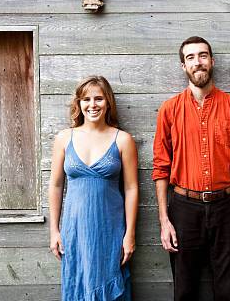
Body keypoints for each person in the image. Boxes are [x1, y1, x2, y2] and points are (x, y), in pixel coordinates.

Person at [152, 36, 230, 301]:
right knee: (184, 291)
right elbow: (161, 168)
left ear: (212, 61)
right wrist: (164, 221)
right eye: (190, 57)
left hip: (227, 207)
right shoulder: (169, 110)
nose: (198, 62)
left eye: (203, 56)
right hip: (184, 209)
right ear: (183, 66)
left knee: (227, 290)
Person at [49, 75, 138, 301]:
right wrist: (54, 231)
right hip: (74, 230)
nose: (92, 105)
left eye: (99, 98)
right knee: (78, 283)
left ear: (108, 102)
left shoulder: (123, 140)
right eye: (86, 99)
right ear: (78, 103)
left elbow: (131, 189)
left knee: (109, 285)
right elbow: (56, 185)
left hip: (109, 230)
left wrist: (130, 234)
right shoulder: (64, 138)